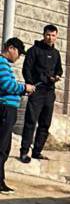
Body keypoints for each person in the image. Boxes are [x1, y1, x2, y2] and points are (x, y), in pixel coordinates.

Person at [19, 24, 63, 162]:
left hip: (49, 92)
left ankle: (37, 151)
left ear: (56, 36)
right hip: (37, 90)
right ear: (44, 35)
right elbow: (26, 69)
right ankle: (24, 152)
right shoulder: (34, 50)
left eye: (53, 35)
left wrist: (56, 77)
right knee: (31, 121)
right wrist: (30, 84)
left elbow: (59, 70)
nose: (50, 38)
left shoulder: (56, 54)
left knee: (45, 123)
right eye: (48, 35)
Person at [0, 38, 35, 193]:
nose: (18, 57)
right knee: (1, 148)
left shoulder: (5, 65)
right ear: (11, 48)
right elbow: (6, 85)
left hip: (8, 109)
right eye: (19, 53)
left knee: (4, 148)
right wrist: (24, 88)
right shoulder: (1, 63)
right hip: (5, 109)